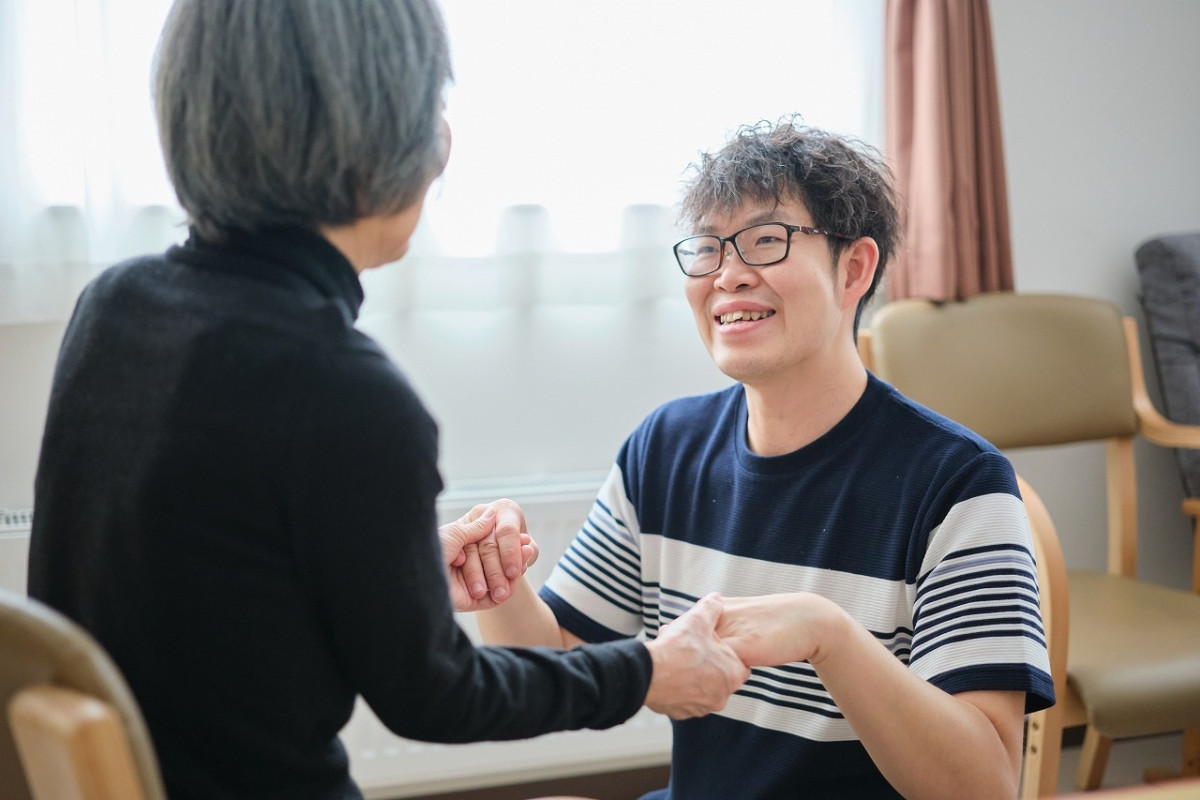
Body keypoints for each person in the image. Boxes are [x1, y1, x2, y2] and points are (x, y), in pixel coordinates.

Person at [25, 2, 749, 799]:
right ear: (375, 143)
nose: (443, 146)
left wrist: (387, 567)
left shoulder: (116, 307)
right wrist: (645, 671)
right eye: (432, 110)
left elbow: (189, 581)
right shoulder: (345, 390)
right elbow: (437, 696)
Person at [474, 118, 1055, 799]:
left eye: (765, 240)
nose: (728, 276)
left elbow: (984, 786)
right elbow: (555, 662)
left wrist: (827, 635)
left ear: (855, 269)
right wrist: (497, 575)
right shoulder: (663, 449)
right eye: (709, 248)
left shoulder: (958, 485)